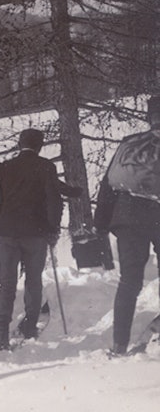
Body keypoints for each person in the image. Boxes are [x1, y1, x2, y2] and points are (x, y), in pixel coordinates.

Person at [94, 95, 160, 355]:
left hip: (126, 215)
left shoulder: (129, 144)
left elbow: (107, 185)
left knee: (129, 282)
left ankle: (119, 345)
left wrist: (100, 224)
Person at [0, 128, 63, 350]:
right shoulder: (46, 167)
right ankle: (30, 325)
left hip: (7, 232)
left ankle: (1, 332)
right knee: (33, 279)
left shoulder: (5, 167)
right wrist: (53, 229)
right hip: (35, 232)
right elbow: (54, 200)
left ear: (19, 144)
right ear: (40, 145)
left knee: (7, 283)